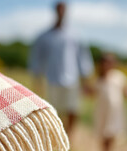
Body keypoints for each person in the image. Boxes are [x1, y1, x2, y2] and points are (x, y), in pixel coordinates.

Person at [28, 1, 94, 135]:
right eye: (59, 9)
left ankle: (70, 136)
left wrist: (86, 81)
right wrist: (37, 80)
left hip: (72, 79)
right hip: (53, 79)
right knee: (54, 110)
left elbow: (83, 58)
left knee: (73, 110)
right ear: (55, 11)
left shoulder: (75, 35)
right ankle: (56, 135)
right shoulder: (44, 37)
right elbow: (37, 59)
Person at [91, 53, 127, 151]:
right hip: (103, 112)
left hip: (115, 112)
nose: (107, 65)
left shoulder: (119, 77)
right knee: (103, 135)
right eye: (105, 62)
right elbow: (92, 93)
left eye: (110, 62)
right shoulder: (99, 79)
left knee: (111, 134)